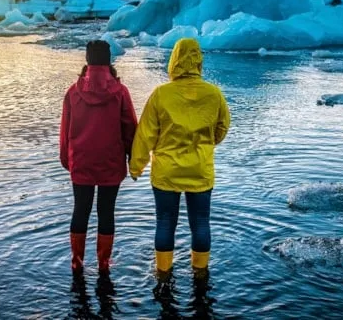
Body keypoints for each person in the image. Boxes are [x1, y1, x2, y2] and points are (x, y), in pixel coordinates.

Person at [129, 38, 230, 275]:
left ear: (173, 60)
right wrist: (207, 143)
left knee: (165, 222)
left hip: (166, 171)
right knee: (201, 223)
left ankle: (163, 274)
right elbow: (223, 127)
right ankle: (200, 273)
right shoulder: (214, 93)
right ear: (199, 61)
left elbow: (145, 134)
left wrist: (136, 166)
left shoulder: (161, 94)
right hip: (199, 169)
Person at [60, 40, 137, 274]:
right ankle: (104, 263)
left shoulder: (73, 92)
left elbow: (65, 131)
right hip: (110, 163)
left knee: (80, 210)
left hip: (81, 161)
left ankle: (77, 262)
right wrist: (133, 158)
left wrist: (67, 160)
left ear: (87, 60)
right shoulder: (120, 92)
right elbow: (130, 129)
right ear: (109, 60)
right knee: (107, 212)